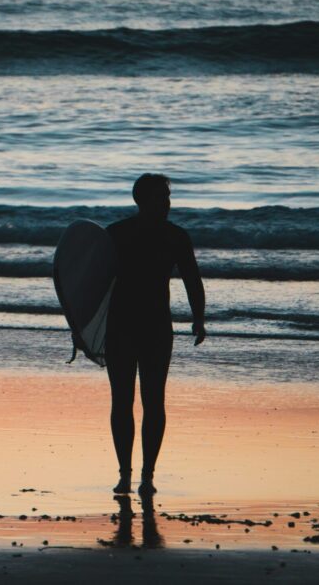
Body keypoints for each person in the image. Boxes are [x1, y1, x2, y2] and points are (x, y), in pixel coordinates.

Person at [105, 173, 205, 495]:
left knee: (153, 401)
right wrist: (83, 329)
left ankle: (147, 476)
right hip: (122, 327)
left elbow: (192, 279)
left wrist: (199, 318)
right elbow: (92, 282)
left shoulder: (174, 237)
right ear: (142, 200)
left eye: (167, 197)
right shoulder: (117, 235)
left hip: (154, 328)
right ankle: (125, 474)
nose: (167, 203)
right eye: (161, 197)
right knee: (122, 401)